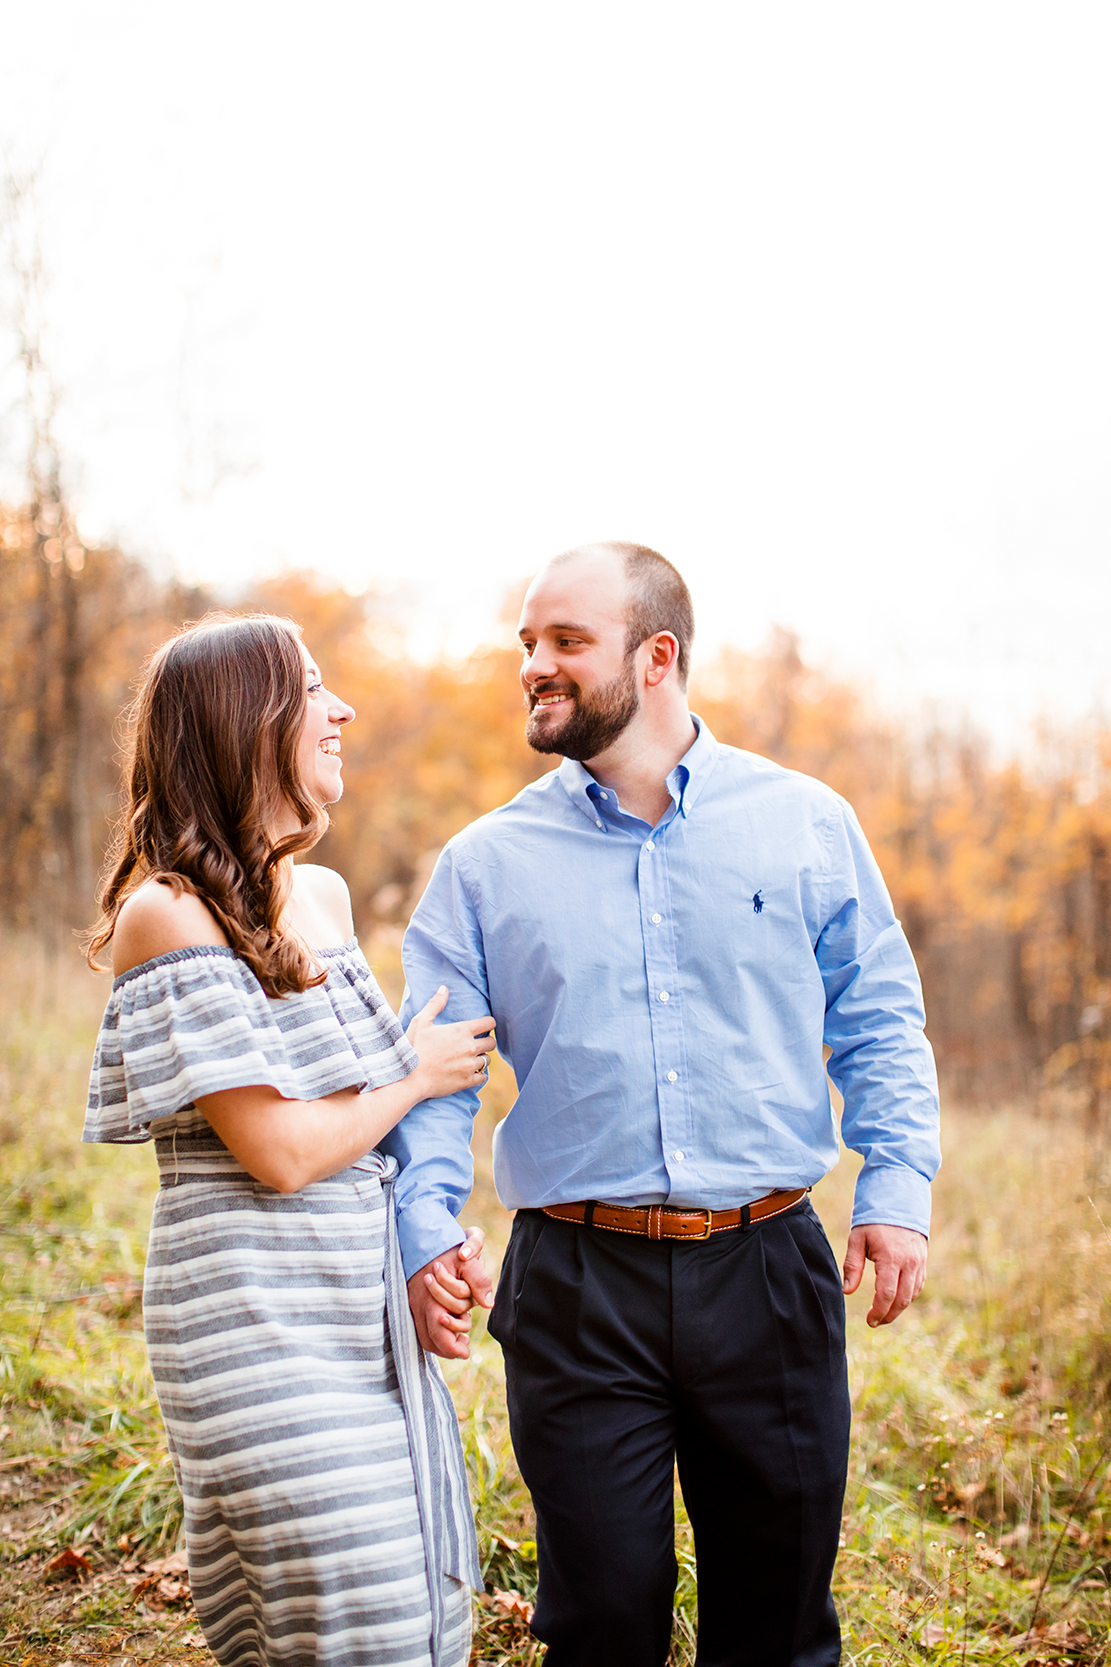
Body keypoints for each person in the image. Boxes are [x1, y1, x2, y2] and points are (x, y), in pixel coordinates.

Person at [384, 543, 942, 1667]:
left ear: (657, 656)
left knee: (778, 1624)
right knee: (600, 1619)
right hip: (577, 1288)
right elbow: (433, 1073)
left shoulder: (805, 824)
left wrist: (895, 1184)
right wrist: (423, 1225)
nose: (534, 665)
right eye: (526, 644)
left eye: (564, 642)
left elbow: (878, 1018)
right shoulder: (484, 864)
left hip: (770, 1269)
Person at [82, 613, 496, 1667]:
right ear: (245, 719)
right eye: (314, 689)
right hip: (254, 1322)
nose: (343, 709)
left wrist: (426, 1248)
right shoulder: (164, 913)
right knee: (353, 1625)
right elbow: (280, 1149)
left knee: (409, 1612)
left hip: (356, 1314)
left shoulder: (324, 894)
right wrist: (416, 1071)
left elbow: (356, 1134)